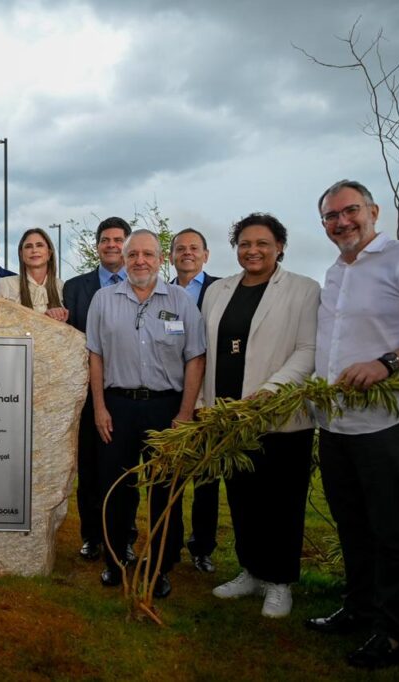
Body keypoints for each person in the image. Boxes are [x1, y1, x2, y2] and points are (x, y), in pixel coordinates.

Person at [306, 180, 399, 669]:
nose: (342, 222)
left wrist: (387, 362)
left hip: (391, 421)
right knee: (352, 524)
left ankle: (395, 629)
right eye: (331, 216)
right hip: (338, 424)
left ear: (373, 211)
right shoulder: (335, 272)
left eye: (350, 211)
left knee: (392, 530)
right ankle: (358, 608)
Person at [200, 214, 319, 618]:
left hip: (280, 417)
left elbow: (307, 350)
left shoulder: (303, 290)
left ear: (279, 246)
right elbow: (209, 350)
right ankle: (251, 571)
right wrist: (205, 403)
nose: (253, 251)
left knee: (281, 501)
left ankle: (280, 581)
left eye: (262, 243)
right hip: (230, 417)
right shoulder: (218, 291)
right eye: (245, 244)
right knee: (242, 498)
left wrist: (269, 391)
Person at [86, 229, 206, 598]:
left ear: (161, 260)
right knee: (114, 487)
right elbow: (95, 356)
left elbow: (195, 357)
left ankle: (160, 565)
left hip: (167, 408)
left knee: (164, 490)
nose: (140, 261)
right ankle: (115, 559)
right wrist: (99, 407)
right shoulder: (103, 300)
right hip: (117, 406)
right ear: (124, 259)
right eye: (133, 254)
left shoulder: (181, 301)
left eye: (148, 254)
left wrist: (185, 412)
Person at [63, 217, 131, 563]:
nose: (111, 245)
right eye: (105, 240)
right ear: (97, 246)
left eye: (118, 240)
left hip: (128, 390)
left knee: (124, 471)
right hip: (88, 393)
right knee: (89, 467)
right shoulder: (75, 288)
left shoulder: (142, 286)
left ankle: (125, 537)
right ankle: (91, 535)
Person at [168, 227, 220, 573]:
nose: (187, 253)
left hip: (210, 397)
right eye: (180, 248)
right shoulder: (163, 293)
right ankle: (169, 545)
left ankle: (202, 548)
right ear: (171, 256)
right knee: (169, 477)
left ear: (206, 254)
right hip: (172, 395)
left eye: (194, 248)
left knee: (206, 478)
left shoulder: (221, 290)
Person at [0, 228, 68, 322]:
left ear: (49, 253)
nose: (34, 250)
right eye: (28, 246)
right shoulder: (6, 285)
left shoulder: (61, 286)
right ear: (21, 254)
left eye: (39, 245)